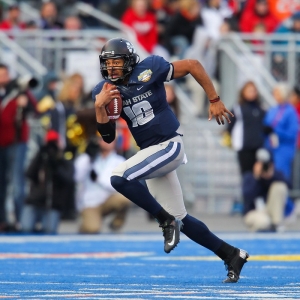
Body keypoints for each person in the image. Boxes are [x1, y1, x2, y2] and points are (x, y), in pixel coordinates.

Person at [92, 37, 249, 283]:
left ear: (130, 61)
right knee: (182, 220)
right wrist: (100, 108)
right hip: (151, 154)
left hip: (169, 145)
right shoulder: (103, 92)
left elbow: (193, 65)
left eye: (117, 62)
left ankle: (164, 220)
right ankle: (231, 254)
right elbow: (108, 137)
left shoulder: (150, 68)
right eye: (108, 63)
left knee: (118, 177)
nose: (112, 68)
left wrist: (214, 99)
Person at [0, 63, 37, 232]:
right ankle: (3, 220)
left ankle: (20, 220)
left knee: (16, 183)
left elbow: (33, 110)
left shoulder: (17, 90)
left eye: (4, 74)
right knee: (2, 183)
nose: (2, 78)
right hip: (2, 142)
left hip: (16, 142)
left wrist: (24, 101)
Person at [21, 130, 74, 234]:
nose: (52, 148)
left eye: (54, 143)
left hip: (53, 203)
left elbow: (68, 179)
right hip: (35, 201)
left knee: (49, 230)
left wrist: (56, 164)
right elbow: (29, 174)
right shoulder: (40, 159)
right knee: (26, 228)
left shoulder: (64, 162)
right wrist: (40, 155)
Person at [74, 136, 131, 233]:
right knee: (91, 229)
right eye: (103, 140)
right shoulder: (89, 158)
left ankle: (116, 223)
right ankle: (86, 223)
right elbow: (77, 177)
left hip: (108, 200)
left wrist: (98, 179)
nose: (106, 142)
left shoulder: (119, 160)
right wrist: (88, 157)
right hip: (90, 203)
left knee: (125, 198)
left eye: (110, 140)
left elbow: (119, 184)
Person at [243, 148, 293, 232]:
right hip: (254, 212)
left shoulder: (276, 175)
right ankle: (262, 227)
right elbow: (247, 196)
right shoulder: (249, 177)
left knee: (279, 186)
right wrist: (256, 177)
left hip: (270, 211)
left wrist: (271, 176)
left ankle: (276, 223)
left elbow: (289, 185)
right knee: (264, 222)